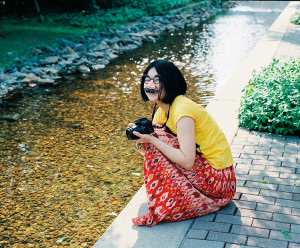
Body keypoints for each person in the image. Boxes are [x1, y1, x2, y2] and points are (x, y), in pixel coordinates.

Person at [128, 60, 236, 226]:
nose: (150, 84)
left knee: (156, 138)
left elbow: (187, 161)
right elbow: (150, 155)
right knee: (155, 137)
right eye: (147, 79)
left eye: (157, 80)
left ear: (169, 81)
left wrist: (152, 139)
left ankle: (172, 202)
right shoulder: (161, 112)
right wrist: (143, 139)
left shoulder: (182, 110)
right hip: (208, 173)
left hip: (220, 180)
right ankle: (173, 197)